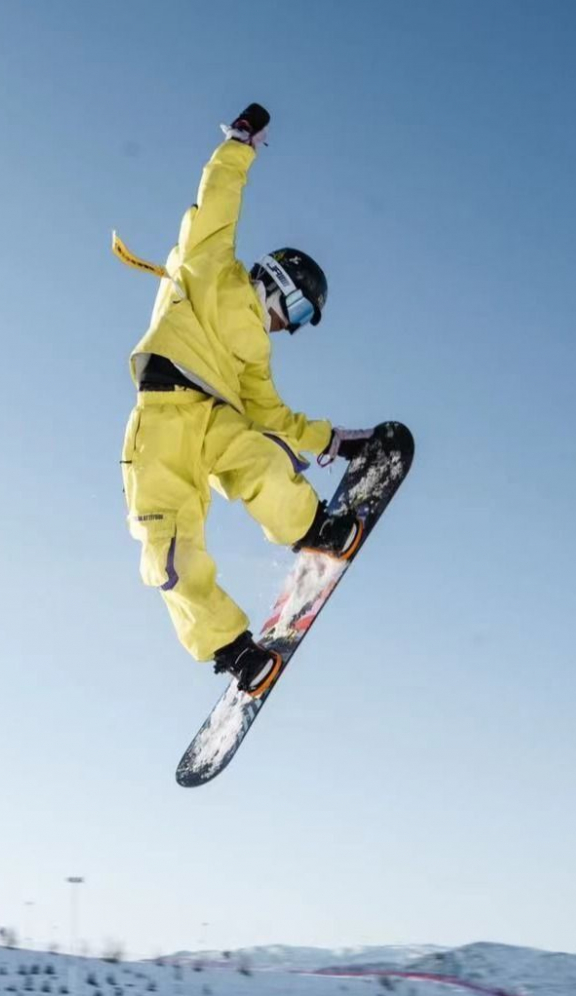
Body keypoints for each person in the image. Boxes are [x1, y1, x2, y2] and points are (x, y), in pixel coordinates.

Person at [119, 103, 372, 695]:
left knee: (262, 459)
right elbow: (217, 197)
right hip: (158, 423)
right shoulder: (210, 266)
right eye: (303, 312)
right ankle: (233, 650)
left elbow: (275, 419)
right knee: (170, 550)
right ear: (285, 283)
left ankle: (313, 528)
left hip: (212, 420)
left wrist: (333, 439)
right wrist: (239, 145)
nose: (297, 326)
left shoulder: (255, 357)